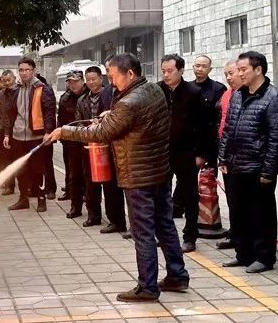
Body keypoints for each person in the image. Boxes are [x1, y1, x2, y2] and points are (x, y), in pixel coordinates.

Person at [46, 53, 191, 302]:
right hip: (159, 171)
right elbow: (131, 121)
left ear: (130, 74)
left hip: (138, 175)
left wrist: (64, 131)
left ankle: (147, 286)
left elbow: (103, 133)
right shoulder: (153, 90)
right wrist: (111, 116)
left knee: (143, 231)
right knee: (164, 225)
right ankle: (177, 275)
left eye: (113, 76)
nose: (111, 82)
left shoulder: (129, 101)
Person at [218, 51, 278, 273]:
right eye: (237, 70)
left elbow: (276, 139)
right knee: (238, 212)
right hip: (236, 165)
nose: (239, 74)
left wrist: (269, 171)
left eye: (243, 70)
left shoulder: (274, 98)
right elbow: (228, 130)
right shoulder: (238, 95)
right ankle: (243, 253)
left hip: (258, 168)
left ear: (258, 70)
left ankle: (265, 257)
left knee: (261, 215)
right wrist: (223, 157)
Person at [157, 54, 210, 252]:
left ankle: (190, 236)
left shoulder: (193, 93)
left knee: (189, 195)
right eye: (163, 71)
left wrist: (201, 154)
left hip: (186, 152)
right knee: (162, 195)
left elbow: (204, 127)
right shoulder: (158, 90)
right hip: (162, 152)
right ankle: (164, 235)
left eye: (170, 71)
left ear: (181, 70)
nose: (166, 75)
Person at [77, 65, 128, 233]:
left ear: (101, 79)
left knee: (111, 184)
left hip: (108, 145)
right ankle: (94, 215)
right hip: (90, 144)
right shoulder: (82, 100)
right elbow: (79, 121)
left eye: (94, 79)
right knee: (90, 182)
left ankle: (116, 220)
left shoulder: (110, 94)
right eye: (88, 79)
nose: (91, 82)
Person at [1, 58, 55, 212]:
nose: (23, 73)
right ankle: (23, 199)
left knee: (38, 170)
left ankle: (41, 199)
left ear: (33, 70)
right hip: (18, 137)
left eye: (27, 70)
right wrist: (6, 134)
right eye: (21, 70)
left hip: (36, 137)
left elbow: (49, 112)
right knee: (21, 169)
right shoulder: (15, 90)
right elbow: (9, 115)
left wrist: (47, 132)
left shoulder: (43, 88)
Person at [191, 54, 227, 237]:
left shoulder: (218, 89)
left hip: (210, 143)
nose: (199, 69)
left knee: (208, 182)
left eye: (203, 66)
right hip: (190, 143)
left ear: (210, 69)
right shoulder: (187, 88)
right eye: (197, 65)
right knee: (189, 183)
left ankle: (209, 217)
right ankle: (190, 213)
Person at [216, 60, 242, 251]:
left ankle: (243, 236)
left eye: (232, 73)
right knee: (232, 198)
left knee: (242, 201)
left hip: (243, 157)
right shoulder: (227, 94)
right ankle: (236, 232)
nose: (229, 77)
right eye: (226, 74)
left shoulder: (245, 95)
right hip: (227, 154)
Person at [57, 70, 86, 218]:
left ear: (82, 81)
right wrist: (62, 136)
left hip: (88, 141)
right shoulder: (65, 98)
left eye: (76, 81)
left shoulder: (89, 96)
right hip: (70, 142)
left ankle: (89, 200)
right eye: (70, 82)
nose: (73, 85)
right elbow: (61, 119)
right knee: (72, 173)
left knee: (89, 175)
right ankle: (74, 203)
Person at [0, 69, 18, 196]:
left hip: (20, 131)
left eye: (9, 80)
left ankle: (28, 186)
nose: (7, 83)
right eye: (4, 81)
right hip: (5, 133)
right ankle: (9, 185)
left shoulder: (20, 92)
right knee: (6, 160)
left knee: (20, 159)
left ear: (14, 79)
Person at [37, 73, 58, 199]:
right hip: (33, 134)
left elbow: (50, 113)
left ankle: (51, 189)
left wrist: (48, 132)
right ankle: (37, 188)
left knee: (47, 163)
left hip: (45, 134)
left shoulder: (45, 90)